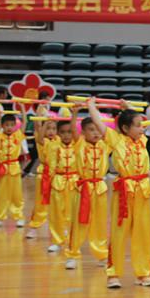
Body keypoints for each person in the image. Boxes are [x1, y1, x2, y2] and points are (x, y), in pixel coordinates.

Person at [88, 98, 150, 289]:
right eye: (138, 126)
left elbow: (133, 119)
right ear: (126, 129)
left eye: (142, 125)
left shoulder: (142, 140)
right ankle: (113, 274)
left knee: (142, 233)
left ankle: (143, 274)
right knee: (119, 233)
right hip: (124, 192)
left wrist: (128, 107)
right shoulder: (116, 139)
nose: (142, 129)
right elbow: (99, 124)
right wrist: (91, 106)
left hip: (142, 191)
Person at [64, 116, 110, 270]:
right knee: (79, 224)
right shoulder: (79, 144)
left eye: (97, 129)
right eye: (91, 130)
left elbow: (116, 134)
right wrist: (75, 113)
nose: (96, 133)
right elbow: (73, 131)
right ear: (82, 132)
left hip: (100, 189)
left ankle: (102, 254)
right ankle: (72, 254)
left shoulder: (105, 145)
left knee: (99, 224)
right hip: (83, 189)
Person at [43, 119, 79, 254]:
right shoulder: (53, 146)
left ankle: (73, 241)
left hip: (74, 181)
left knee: (73, 214)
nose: (66, 135)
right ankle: (57, 240)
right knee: (56, 213)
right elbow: (51, 165)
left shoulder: (78, 145)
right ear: (58, 133)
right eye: (63, 132)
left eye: (69, 132)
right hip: (58, 181)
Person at [0, 108, 26, 228]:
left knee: (17, 194)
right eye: (6, 125)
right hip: (2, 168)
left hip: (14, 168)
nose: (9, 127)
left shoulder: (18, 135)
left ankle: (19, 217)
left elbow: (25, 123)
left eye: (12, 125)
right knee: (1, 194)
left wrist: (21, 108)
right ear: (2, 125)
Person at [24, 116, 57, 240]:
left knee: (59, 203)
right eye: (48, 128)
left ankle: (61, 227)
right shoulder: (42, 140)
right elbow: (38, 129)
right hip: (44, 174)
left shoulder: (59, 140)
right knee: (41, 203)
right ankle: (33, 227)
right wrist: (42, 116)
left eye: (54, 129)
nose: (51, 131)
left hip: (58, 176)